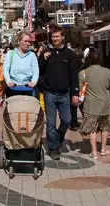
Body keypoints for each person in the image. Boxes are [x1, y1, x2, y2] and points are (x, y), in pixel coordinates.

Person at [38, 26, 80, 161]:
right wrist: (43, 59)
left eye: (57, 36)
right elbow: (38, 70)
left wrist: (75, 93)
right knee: (50, 123)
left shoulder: (70, 55)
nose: (55, 39)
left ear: (62, 37)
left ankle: (58, 138)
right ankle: (53, 148)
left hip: (64, 94)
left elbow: (74, 75)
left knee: (67, 120)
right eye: (53, 36)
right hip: (49, 93)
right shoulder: (46, 52)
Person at [3, 30, 39, 97]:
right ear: (19, 41)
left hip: (28, 88)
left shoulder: (32, 55)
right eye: (25, 41)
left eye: (29, 42)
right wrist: (8, 81)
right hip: (13, 88)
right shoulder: (11, 53)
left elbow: (36, 71)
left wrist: (33, 82)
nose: (28, 43)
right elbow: (5, 69)